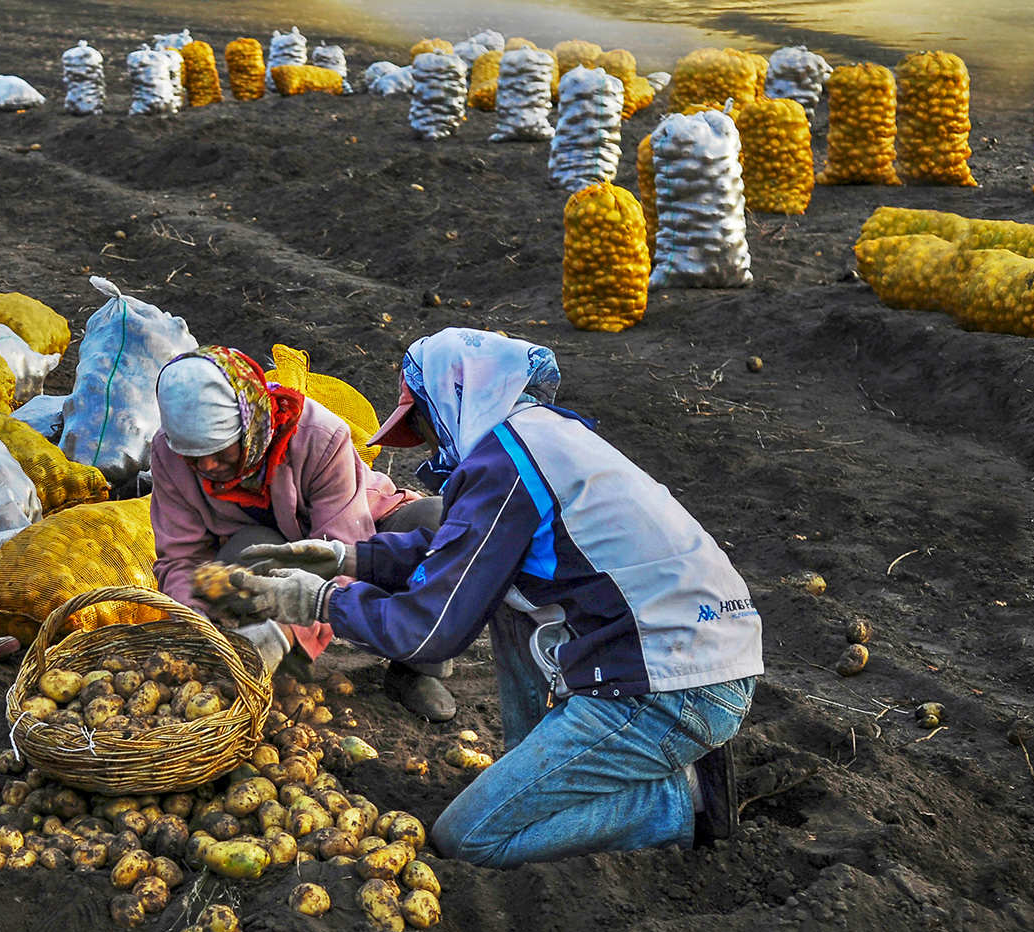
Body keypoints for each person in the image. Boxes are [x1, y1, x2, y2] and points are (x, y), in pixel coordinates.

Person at [231, 328, 762, 865]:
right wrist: (348, 560)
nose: (435, 444)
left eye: (425, 424)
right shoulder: (535, 438)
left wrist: (322, 603)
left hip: (668, 687)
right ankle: (533, 772)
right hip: (697, 650)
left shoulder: (505, 464)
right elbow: (456, 550)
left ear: (452, 398)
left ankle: (681, 802)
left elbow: (431, 630)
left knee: (468, 838)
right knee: (505, 597)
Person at [148, 346, 455, 719]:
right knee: (245, 555)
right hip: (265, 548)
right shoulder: (167, 454)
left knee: (437, 525)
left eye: (219, 450)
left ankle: (416, 667)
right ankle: (266, 673)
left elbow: (342, 551)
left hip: (364, 530)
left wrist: (284, 632)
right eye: (194, 458)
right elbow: (182, 558)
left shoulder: (320, 435)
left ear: (250, 425)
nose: (208, 465)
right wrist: (196, 629)